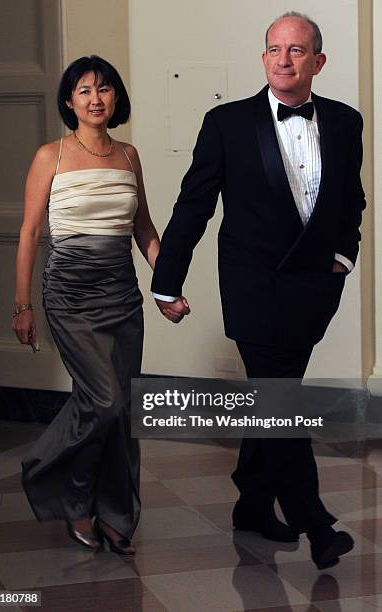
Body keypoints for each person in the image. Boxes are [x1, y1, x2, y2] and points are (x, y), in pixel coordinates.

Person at [151, 12, 365, 569]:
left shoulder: (345, 122)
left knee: (273, 398)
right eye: (273, 49)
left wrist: (344, 257)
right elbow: (194, 204)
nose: (283, 59)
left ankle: (250, 501)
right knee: (281, 404)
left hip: (312, 292)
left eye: (296, 51)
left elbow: (351, 201)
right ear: (263, 57)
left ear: (318, 61)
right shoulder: (226, 122)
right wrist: (166, 279)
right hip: (253, 289)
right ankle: (316, 524)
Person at [12, 56, 179, 555]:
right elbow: (30, 231)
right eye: (84, 90)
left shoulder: (129, 156)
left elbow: (144, 229)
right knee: (103, 401)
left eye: (103, 89)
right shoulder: (51, 156)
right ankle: (69, 493)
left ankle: (116, 514)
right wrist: (23, 304)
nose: (95, 99)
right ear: (70, 101)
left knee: (123, 409)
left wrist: (166, 286)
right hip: (69, 296)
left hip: (122, 297)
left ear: (115, 98)